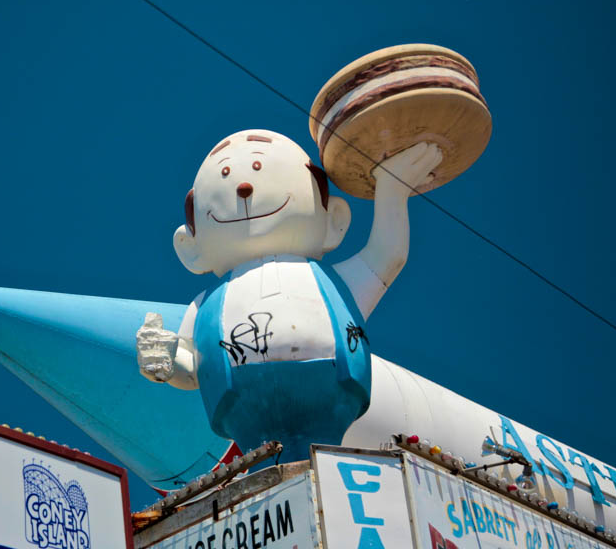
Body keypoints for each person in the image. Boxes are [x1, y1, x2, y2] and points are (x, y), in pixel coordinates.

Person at [136, 130, 441, 459]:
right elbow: (191, 367)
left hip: (331, 393)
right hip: (243, 410)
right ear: (190, 245)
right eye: (226, 176)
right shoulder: (204, 306)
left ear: (333, 219)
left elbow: (388, 254)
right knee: (275, 468)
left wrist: (392, 188)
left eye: (258, 169)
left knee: (322, 465)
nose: (244, 188)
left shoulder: (334, 282)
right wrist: (166, 360)